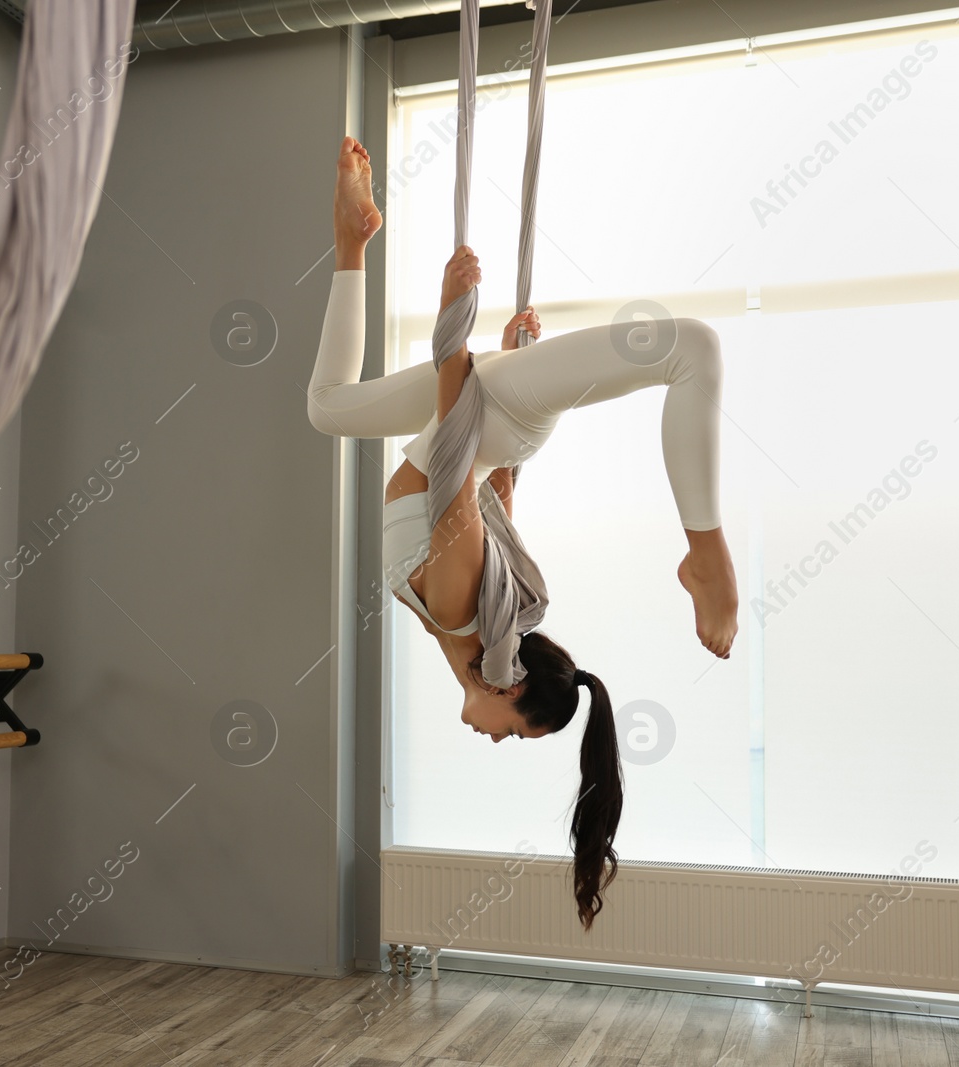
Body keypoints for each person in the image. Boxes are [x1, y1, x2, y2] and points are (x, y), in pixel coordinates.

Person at [307, 137, 737, 929]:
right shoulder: (459, 613)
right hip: (479, 413)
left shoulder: (477, 616)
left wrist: (499, 359)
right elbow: (451, 464)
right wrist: (453, 335)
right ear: (506, 688)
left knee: (329, 406)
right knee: (691, 347)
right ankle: (706, 556)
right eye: (515, 731)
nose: (499, 739)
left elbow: (491, 498)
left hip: (493, 418)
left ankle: (350, 240)